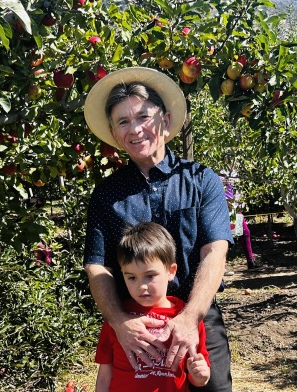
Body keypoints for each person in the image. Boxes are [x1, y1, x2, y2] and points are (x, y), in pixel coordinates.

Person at [83, 67, 233, 392]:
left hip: (197, 316)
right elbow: (98, 265)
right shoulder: (107, 195)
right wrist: (120, 323)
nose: (134, 129)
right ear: (113, 131)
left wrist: (190, 318)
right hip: (136, 324)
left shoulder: (201, 180)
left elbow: (214, 250)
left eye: (143, 117)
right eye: (123, 121)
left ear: (164, 120)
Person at [95, 221, 210, 391]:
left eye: (150, 276)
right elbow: (105, 375)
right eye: (132, 278)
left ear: (171, 271)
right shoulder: (117, 319)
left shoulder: (187, 318)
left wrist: (201, 375)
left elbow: (197, 374)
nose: (141, 286)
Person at [221, 171, 264, 274]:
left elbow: (238, 190)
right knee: (225, 236)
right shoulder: (220, 172)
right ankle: (221, 266)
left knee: (245, 232)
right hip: (224, 208)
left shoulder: (235, 172)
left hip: (235, 208)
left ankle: (250, 261)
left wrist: (240, 202)